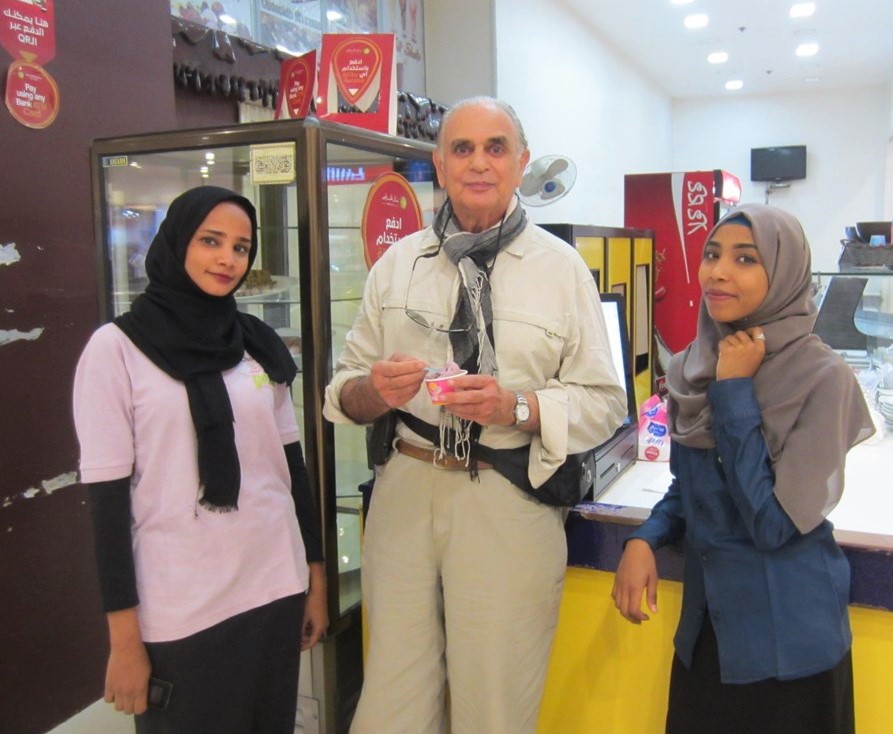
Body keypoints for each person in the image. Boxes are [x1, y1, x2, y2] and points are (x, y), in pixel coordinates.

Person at [323, 96, 628, 733]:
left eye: (495, 148)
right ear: (439, 163)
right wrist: (375, 391)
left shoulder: (562, 270)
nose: (478, 163)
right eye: (462, 149)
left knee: (495, 706)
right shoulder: (397, 265)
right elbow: (344, 392)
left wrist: (515, 405)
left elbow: (605, 404)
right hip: (404, 493)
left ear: (520, 164)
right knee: (392, 706)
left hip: (507, 500)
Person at [72, 186, 328, 734]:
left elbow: (291, 470)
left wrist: (316, 576)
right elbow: (108, 509)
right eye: (211, 241)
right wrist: (123, 641)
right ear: (175, 244)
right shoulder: (115, 350)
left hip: (274, 586)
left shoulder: (255, 343)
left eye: (241, 247)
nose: (227, 259)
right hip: (182, 607)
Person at [612, 204, 875, 734]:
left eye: (745, 259)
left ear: (784, 273)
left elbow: (771, 524)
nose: (718, 271)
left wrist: (734, 392)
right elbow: (694, 489)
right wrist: (646, 538)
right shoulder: (695, 365)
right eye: (712, 254)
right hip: (708, 637)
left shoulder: (823, 379)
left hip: (787, 649)